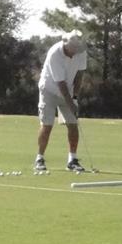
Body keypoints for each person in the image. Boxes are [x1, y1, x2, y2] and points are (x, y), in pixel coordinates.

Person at [35, 30, 87, 172]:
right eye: (73, 49)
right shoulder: (55, 53)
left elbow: (79, 76)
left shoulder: (81, 53)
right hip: (49, 90)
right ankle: (39, 158)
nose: (74, 53)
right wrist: (71, 103)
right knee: (47, 125)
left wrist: (75, 97)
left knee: (73, 124)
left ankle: (72, 160)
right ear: (66, 45)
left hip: (68, 92)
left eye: (77, 49)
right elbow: (60, 83)